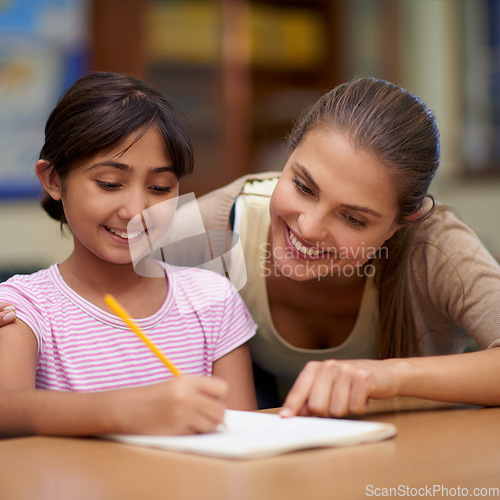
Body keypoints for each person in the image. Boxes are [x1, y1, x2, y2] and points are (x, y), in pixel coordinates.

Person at [196, 77, 500, 416]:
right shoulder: (217, 224)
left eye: (353, 219)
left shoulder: (436, 247)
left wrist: (388, 375)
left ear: (400, 223)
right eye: (303, 187)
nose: (309, 228)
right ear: (290, 150)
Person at [0, 72, 257, 438]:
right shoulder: (24, 308)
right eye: (109, 184)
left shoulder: (212, 300)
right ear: (54, 179)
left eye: (159, 187)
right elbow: (6, 413)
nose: (136, 209)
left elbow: (244, 438)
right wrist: (125, 410)